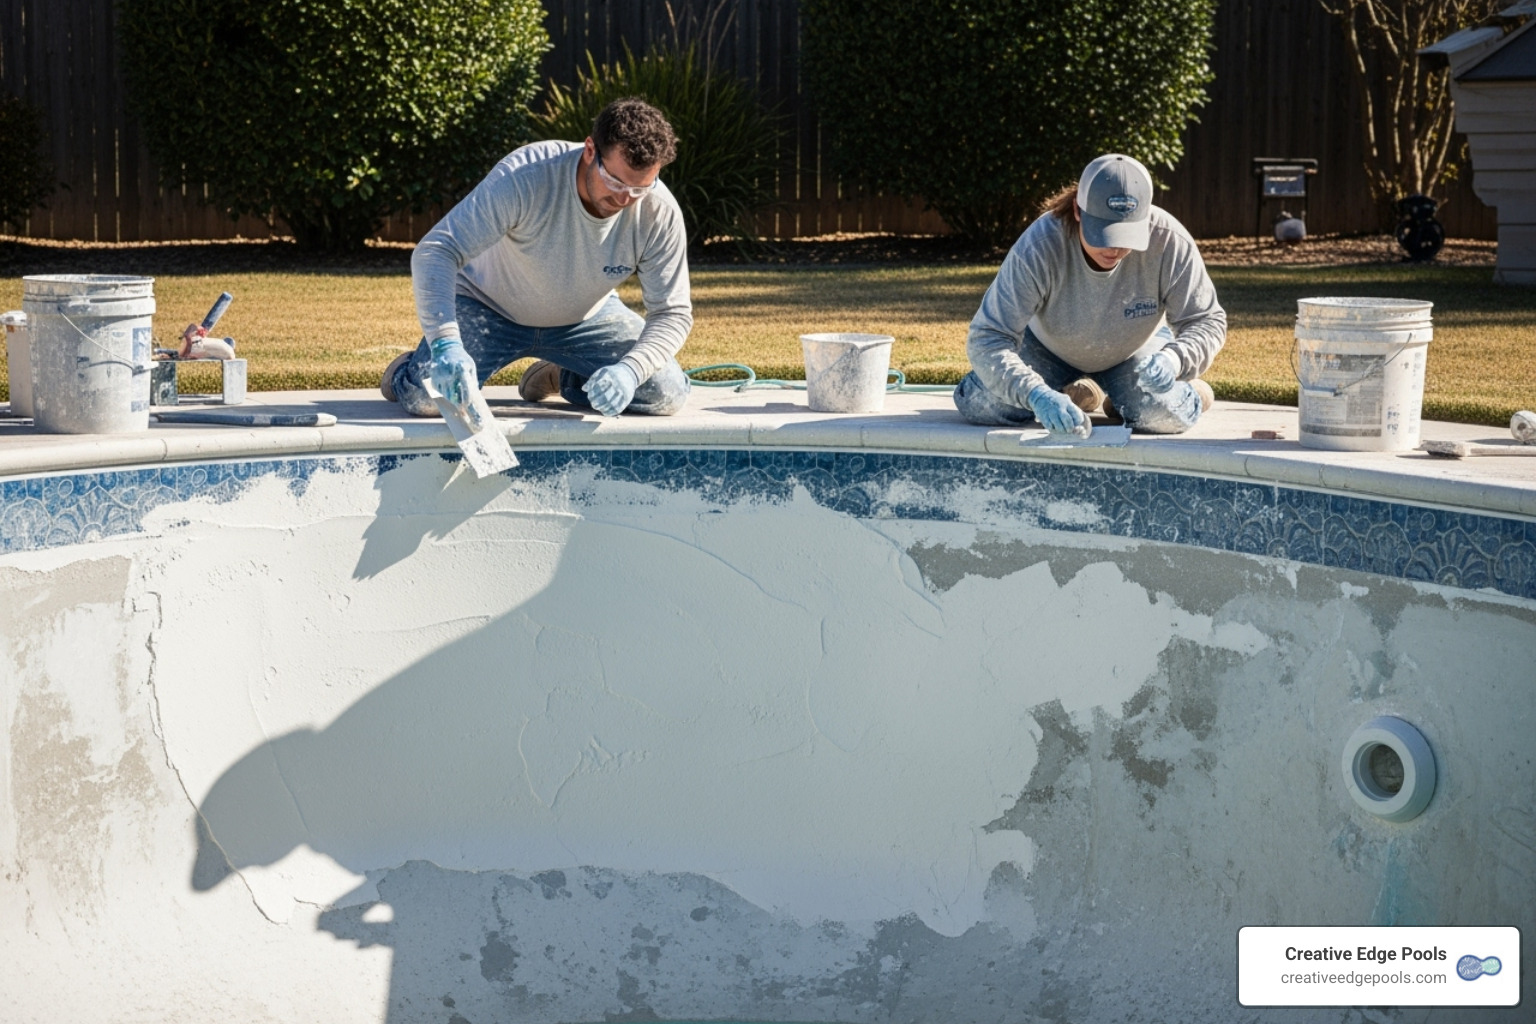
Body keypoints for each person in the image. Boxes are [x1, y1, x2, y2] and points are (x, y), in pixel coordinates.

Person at [382, 97, 692, 419]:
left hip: (585, 321)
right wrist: (446, 345)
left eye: (639, 189)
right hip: (487, 307)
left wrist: (628, 371)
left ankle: (565, 375)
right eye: (615, 181)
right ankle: (408, 369)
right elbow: (436, 251)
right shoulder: (526, 176)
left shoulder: (658, 211)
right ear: (590, 150)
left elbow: (672, 313)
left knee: (666, 394)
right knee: (428, 399)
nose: (625, 199)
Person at [953, 153, 1224, 436]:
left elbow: (1206, 320)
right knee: (983, 405)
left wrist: (1175, 360)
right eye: (1104, 233)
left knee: (1162, 416)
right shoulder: (1040, 246)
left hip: (1134, 349)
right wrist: (1036, 394)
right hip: (1048, 348)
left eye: (1126, 235)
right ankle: (1081, 391)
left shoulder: (1170, 240)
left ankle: (1190, 392)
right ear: (1078, 211)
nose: (1114, 249)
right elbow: (988, 337)